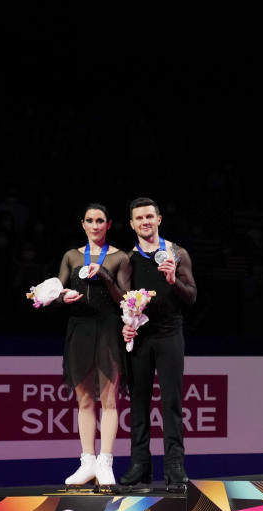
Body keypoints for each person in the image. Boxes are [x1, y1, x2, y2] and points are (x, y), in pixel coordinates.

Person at [120, 197, 197, 493]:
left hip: (169, 335)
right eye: (139, 218)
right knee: (138, 402)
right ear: (132, 224)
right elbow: (124, 302)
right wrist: (126, 324)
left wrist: (173, 279)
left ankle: (175, 465)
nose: (145, 222)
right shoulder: (128, 259)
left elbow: (192, 297)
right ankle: (140, 465)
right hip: (141, 337)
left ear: (159, 219)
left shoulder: (177, 253)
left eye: (149, 216)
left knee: (172, 402)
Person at [56, 204, 130, 491]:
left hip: (109, 329)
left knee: (110, 400)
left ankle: (105, 462)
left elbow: (125, 298)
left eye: (100, 221)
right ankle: (87, 462)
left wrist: (106, 277)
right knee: (84, 400)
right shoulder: (71, 256)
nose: (95, 225)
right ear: (83, 224)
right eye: (90, 220)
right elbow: (56, 291)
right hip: (79, 329)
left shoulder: (120, 257)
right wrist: (63, 298)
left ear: (109, 224)